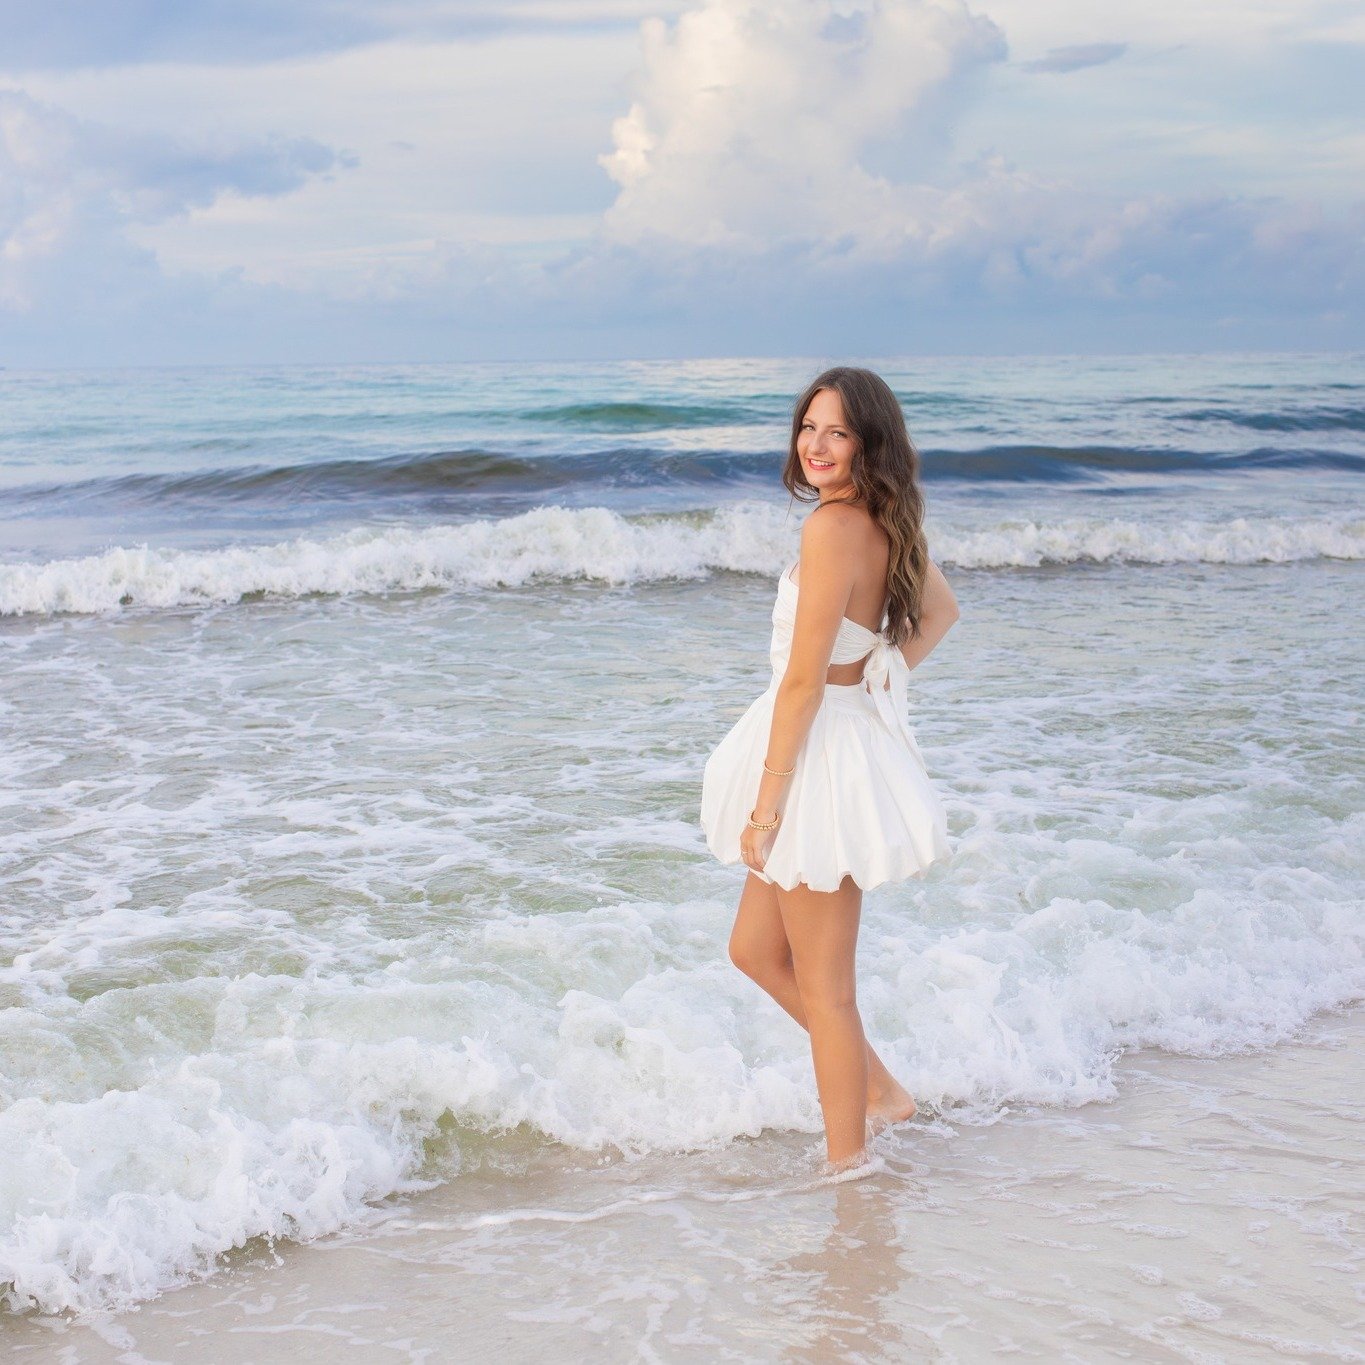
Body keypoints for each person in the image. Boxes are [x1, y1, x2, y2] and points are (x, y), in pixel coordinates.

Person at [699, 366, 960, 1178]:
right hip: (825, 737)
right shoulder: (877, 517)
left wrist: (766, 806)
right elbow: (938, 613)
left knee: (827, 987)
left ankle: (847, 1171)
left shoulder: (831, 528)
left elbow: (805, 680)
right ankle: (879, 1089)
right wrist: (881, 666)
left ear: (866, 442)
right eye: (808, 426)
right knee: (752, 948)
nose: (815, 444)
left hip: (815, 756)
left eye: (836, 431)